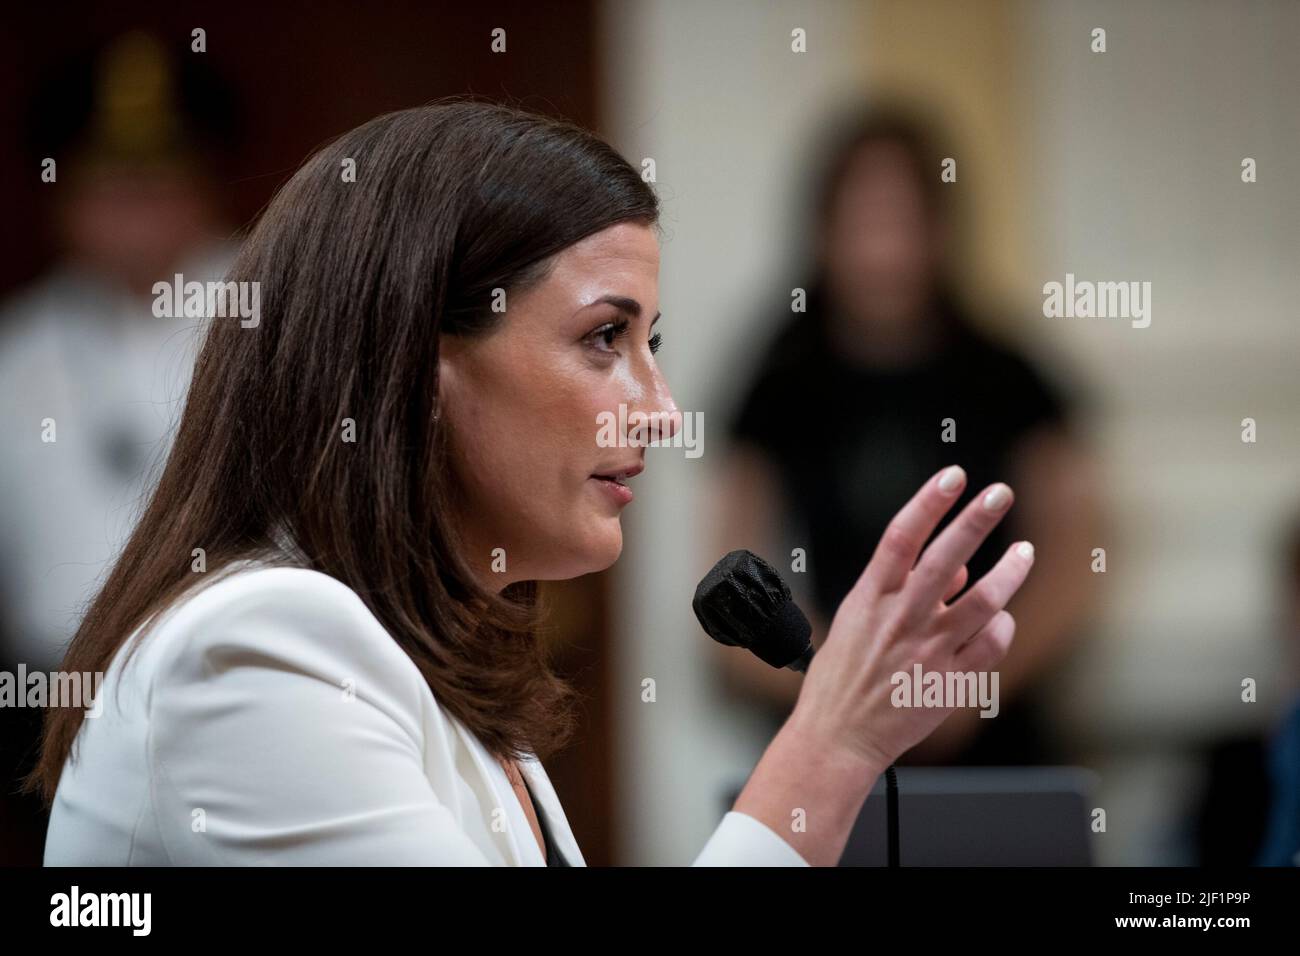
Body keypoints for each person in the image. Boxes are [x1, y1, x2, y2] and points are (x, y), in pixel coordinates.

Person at [31, 100, 1035, 866]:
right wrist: (833, 738)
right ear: (416, 366)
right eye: (605, 337)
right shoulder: (261, 648)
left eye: (652, 342)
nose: (660, 409)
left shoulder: (442, 674)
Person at [712, 105, 1099, 766]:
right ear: (824, 231)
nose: (882, 251)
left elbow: (1079, 563)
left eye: (900, 222)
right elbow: (729, 573)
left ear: (940, 231)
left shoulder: (1006, 372)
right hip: (827, 735)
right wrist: (844, 679)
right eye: (861, 222)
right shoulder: (781, 378)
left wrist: (975, 684)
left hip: (991, 735)